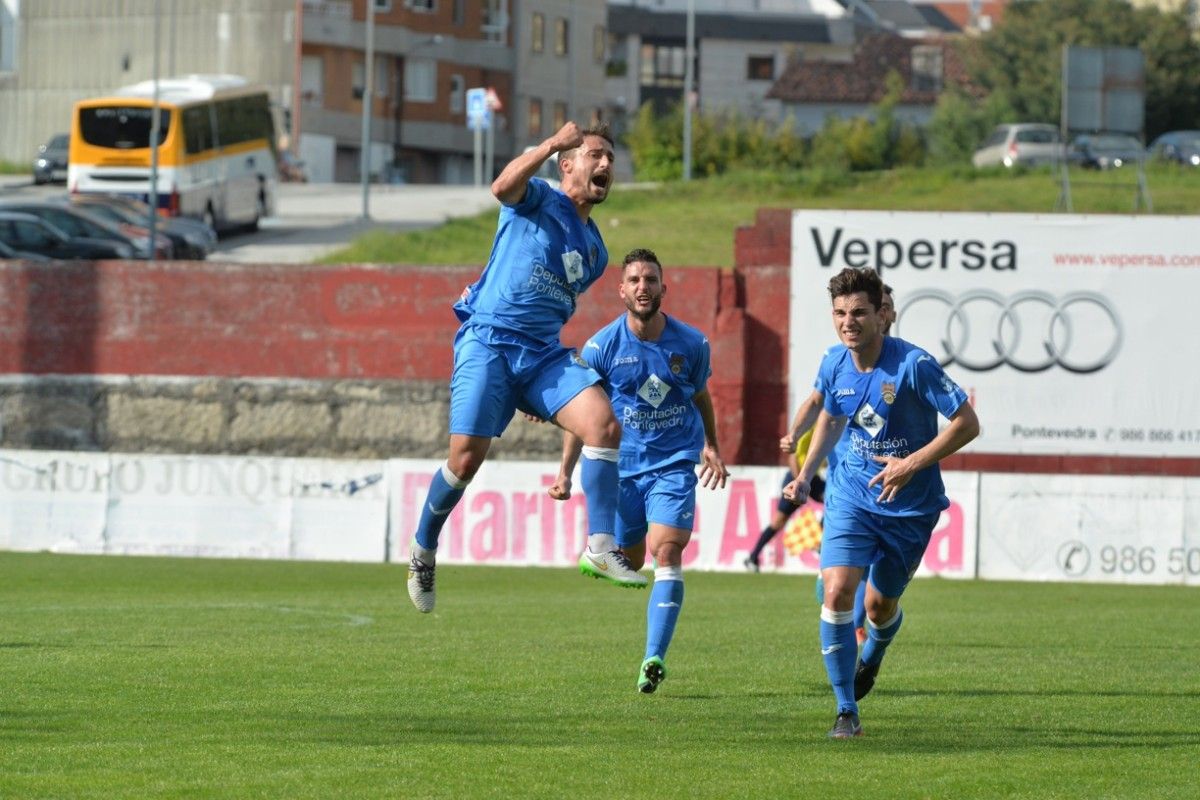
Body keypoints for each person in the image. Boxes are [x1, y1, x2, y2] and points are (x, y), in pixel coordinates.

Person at [406, 121, 647, 614]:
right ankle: (423, 551)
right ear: (568, 165)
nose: (605, 166)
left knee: (603, 425)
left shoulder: (597, 251)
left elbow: (552, 304)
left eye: (610, 160)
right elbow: (500, 187)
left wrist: (535, 394)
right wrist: (552, 142)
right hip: (490, 341)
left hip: (540, 357)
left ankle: (600, 548)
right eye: (595, 155)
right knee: (464, 462)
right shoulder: (536, 195)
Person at [784, 268, 978, 738]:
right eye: (840, 313)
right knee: (835, 593)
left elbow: (968, 423)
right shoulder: (835, 363)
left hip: (910, 507)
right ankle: (846, 711)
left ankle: (873, 653)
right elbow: (831, 418)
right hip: (852, 494)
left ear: (881, 314)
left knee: (878, 607)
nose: (848, 322)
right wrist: (808, 474)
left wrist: (911, 463)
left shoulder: (914, 365)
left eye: (858, 313)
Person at [548, 248, 729, 693]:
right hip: (622, 471)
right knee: (630, 560)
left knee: (666, 551)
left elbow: (701, 395)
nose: (643, 287)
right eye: (634, 280)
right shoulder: (601, 347)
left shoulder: (692, 345)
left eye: (651, 280)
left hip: (672, 464)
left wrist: (711, 444)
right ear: (622, 290)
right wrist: (565, 471)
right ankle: (608, 556)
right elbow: (583, 414)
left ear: (663, 289)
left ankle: (653, 657)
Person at [755, 286, 898, 643]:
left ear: (887, 315)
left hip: (885, 481)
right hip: (843, 481)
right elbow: (817, 400)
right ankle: (854, 630)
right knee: (833, 582)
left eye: (886, 308)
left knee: (867, 571)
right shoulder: (837, 360)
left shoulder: (905, 365)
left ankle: (860, 628)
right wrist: (795, 432)